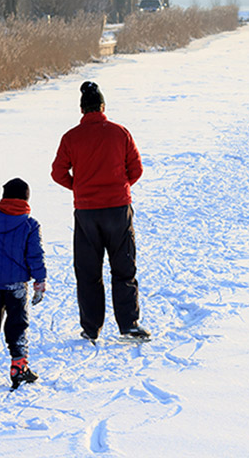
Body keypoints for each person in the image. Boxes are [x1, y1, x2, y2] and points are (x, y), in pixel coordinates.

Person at [51, 81, 149, 342]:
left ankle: (91, 327)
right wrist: (119, 187)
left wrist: (80, 189)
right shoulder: (120, 133)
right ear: (103, 106)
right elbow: (137, 169)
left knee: (88, 271)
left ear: (82, 109)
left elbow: (58, 173)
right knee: (124, 267)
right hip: (118, 209)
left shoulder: (71, 137)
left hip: (86, 213)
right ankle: (129, 324)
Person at [0, 178, 47, 389]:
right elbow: (35, 256)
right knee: (17, 325)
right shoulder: (29, 225)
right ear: (25, 198)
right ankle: (18, 367)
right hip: (16, 286)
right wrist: (39, 281)